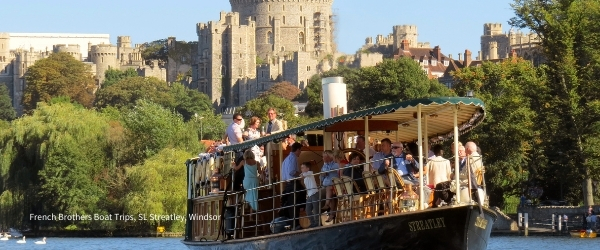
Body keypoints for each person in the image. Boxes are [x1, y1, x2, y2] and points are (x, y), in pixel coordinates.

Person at [280, 142, 306, 230]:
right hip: (293, 183)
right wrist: (301, 174)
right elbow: (292, 172)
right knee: (296, 201)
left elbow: (284, 174)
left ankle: (294, 223)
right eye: (300, 150)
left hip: (288, 184)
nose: (300, 152)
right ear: (297, 150)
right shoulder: (293, 158)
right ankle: (297, 223)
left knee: (292, 205)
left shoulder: (286, 159)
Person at [320, 150, 339, 223]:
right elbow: (321, 176)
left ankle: (327, 204)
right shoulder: (324, 165)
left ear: (329, 157)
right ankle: (332, 214)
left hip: (333, 185)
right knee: (332, 198)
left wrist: (327, 172)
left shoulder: (335, 164)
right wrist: (322, 175)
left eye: (324, 156)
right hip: (325, 185)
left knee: (329, 190)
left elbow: (336, 173)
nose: (323, 158)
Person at [301, 162, 320, 228]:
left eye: (303, 167)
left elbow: (303, 175)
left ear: (308, 168)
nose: (302, 169)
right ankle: (313, 222)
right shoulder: (305, 175)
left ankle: (317, 223)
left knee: (316, 209)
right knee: (307, 210)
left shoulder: (310, 173)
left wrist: (301, 175)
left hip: (314, 193)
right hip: (309, 194)